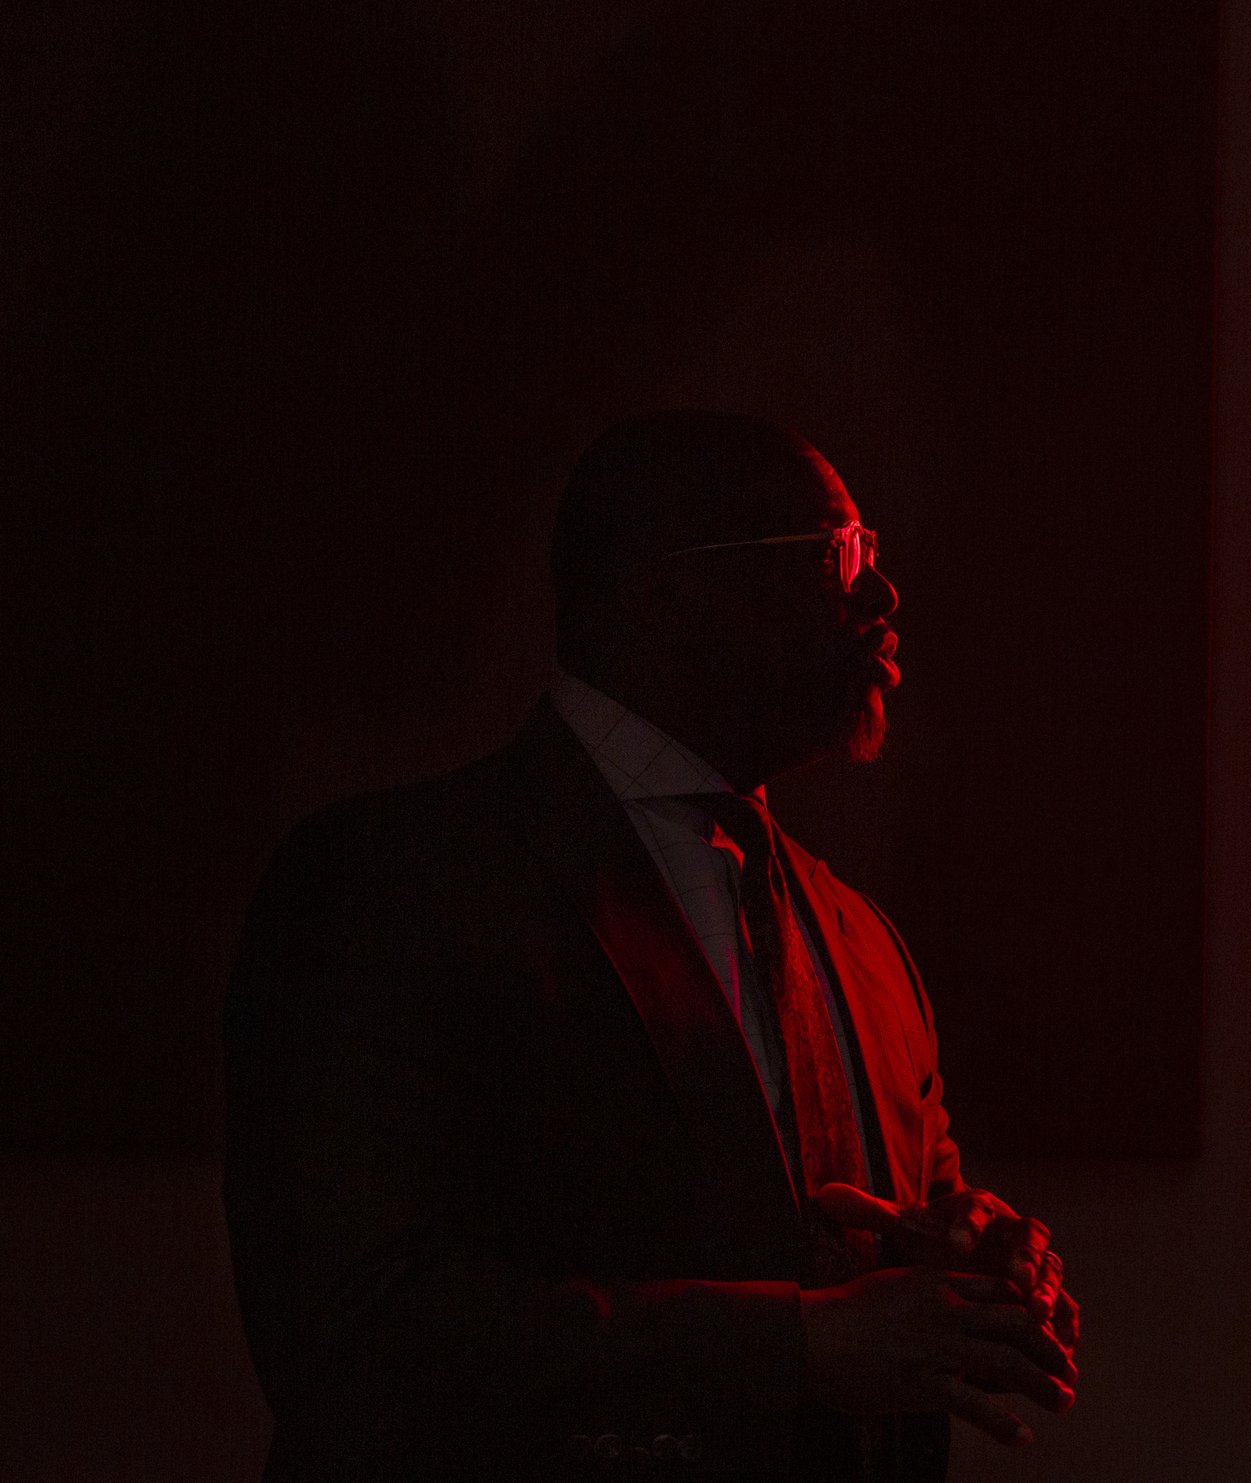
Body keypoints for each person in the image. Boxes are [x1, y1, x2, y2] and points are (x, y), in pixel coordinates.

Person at [223, 411, 1076, 1482]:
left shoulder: (863, 943)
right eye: (836, 552)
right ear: (664, 595)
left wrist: (972, 1256)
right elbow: (351, 1332)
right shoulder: (389, 883)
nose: (880, 593)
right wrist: (804, 1341)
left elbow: (899, 1225)